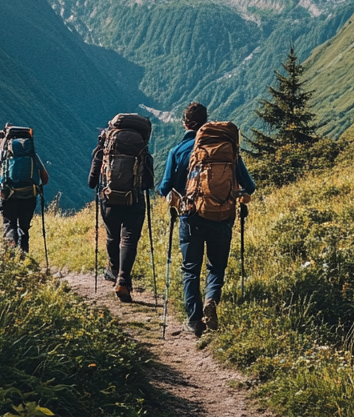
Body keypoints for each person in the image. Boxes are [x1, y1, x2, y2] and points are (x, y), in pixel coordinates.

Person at [158, 102, 255, 336]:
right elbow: (249, 186)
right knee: (216, 266)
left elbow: (164, 188)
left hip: (191, 216)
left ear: (185, 123)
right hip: (222, 215)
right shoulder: (227, 149)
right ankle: (211, 299)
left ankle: (194, 321)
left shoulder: (178, 151)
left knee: (190, 268)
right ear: (205, 121)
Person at [88, 116, 155, 302]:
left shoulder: (105, 148)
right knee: (129, 240)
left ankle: (113, 270)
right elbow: (149, 182)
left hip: (109, 200)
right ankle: (123, 280)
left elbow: (91, 182)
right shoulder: (141, 149)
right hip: (134, 201)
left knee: (112, 236)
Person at [0, 128, 49, 253]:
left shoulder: (1, 154)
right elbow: (45, 179)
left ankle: (11, 256)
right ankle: (24, 256)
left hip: (8, 197)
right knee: (24, 228)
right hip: (29, 197)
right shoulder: (32, 155)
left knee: (9, 225)